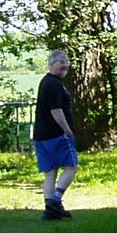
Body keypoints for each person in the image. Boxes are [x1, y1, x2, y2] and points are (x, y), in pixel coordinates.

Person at [33, 49, 78, 221]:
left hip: (41, 135)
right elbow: (56, 110)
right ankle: (55, 200)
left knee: (51, 172)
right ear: (51, 64)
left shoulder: (46, 81)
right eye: (61, 61)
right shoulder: (54, 84)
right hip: (56, 135)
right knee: (72, 167)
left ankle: (49, 209)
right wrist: (67, 131)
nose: (65, 64)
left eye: (67, 61)